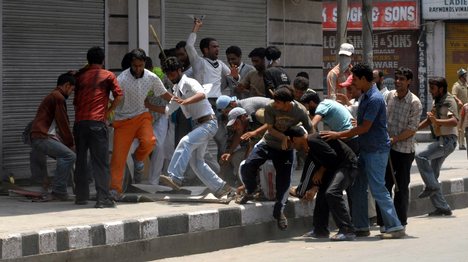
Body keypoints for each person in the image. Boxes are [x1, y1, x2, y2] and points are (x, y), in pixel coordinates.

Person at [321, 63, 406, 239]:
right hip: (365, 148)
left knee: (377, 188)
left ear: (363, 79)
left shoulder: (374, 98)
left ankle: (395, 227)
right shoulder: (365, 96)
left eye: (355, 79)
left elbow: (364, 128)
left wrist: (339, 134)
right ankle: (361, 226)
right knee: (357, 186)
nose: (352, 82)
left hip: (376, 150)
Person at [158, 57, 235, 198]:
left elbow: (202, 94)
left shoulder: (189, 81)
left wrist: (185, 100)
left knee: (185, 142)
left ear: (180, 70)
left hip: (209, 123)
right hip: (200, 125)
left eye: (172, 74)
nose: (170, 77)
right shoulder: (177, 90)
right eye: (168, 75)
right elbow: (168, 110)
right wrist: (148, 105)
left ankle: (175, 177)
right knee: (197, 163)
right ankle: (221, 187)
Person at [238, 86, 313, 231]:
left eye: (278, 102)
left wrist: (311, 145)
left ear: (286, 103)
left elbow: (310, 129)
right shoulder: (270, 107)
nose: (275, 104)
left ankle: (279, 212)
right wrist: (283, 136)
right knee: (248, 165)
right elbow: (270, 128)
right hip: (268, 142)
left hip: (286, 149)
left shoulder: (300, 111)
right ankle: (251, 189)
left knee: (284, 182)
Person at [110, 48, 173, 198]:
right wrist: (108, 116)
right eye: (135, 66)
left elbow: (165, 94)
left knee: (151, 142)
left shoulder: (152, 77)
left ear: (144, 63)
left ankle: (138, 159)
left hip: (142, 116)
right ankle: (115, 189)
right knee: (118, 158)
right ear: (131, 65)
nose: (138, 69)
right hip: (123, 120)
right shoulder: (122, 79)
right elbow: (112, 99)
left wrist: (183, 101)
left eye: (140, 65)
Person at [288, 127, 358, 241]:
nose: (293, 146)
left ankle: (348, 231)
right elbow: (321, 165)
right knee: (322, 195)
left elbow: (333, 157)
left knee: (332, 193)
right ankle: (320, 230)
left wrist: (320, 171)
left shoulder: (313, 140)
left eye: (291, 142)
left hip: (347, 165)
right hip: (334, 168)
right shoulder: (309, 147)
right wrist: (315, 186)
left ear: (295, 138)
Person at [74, 46, 123, 208]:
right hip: (97, 122)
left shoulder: (80, 77)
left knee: (80, 160)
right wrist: (108, 110)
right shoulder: (108, 75)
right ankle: (102, 198)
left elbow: (75, 101)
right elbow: (119, 95)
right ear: (103, 60)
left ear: (88, 61)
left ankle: (81, 196)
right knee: (100, 162)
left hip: (80, 123)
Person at [376, 67, 422, 229]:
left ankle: (400, 221)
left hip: (403, 151)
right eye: (397, 78)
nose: (398, 82)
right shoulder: (389, 96)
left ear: (409, 81)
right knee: (384, 185)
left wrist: (394, 139)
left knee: (401, 187)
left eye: (402, 79)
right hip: (386, 149)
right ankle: (383, 222)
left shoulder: (414, 102)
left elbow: (412, 129)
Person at [415, 77, 459, 216]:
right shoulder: (437, 100)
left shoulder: (449, 100)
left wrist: (437, 121)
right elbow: (429, 120)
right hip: (441, 139)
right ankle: (442, 207)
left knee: (420, 156)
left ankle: (432, 187)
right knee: (432, 175)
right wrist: (413, 129)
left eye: (433, 88)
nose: (430, 91)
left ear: (441, 88)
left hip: (447, 141)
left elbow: (454, 121)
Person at [29, 72, 76, 200]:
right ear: (67, 85)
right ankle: (58, 191)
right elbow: (63, 123)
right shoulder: (58, 97)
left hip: (41, 136)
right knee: (69, 155)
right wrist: (70, 143)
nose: (72, 93)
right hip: (41, 137)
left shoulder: (53, 95)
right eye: (72, 89)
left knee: (65, 155)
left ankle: (58, 187)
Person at [220, 107, 267, 187]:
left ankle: (255, 185)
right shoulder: (240, 126)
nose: (234, 127)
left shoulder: (257, 117)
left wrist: (255, 132)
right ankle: (244, 184)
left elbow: (271, 124)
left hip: (269, 145)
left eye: (236, 123)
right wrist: (229, 153)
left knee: (250, 161)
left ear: (242, 118)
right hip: (254, 146)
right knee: (236, 158)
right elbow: (238, 137)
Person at [452, 68, 468, 150]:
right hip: (461, 109)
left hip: (467, 109)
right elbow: (453, 95)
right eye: (465, 75)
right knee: (461, 127)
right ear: (461, 77)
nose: (466, 77)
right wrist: (459, 101)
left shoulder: (466, 85)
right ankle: (461, 144)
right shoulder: (456, 86)